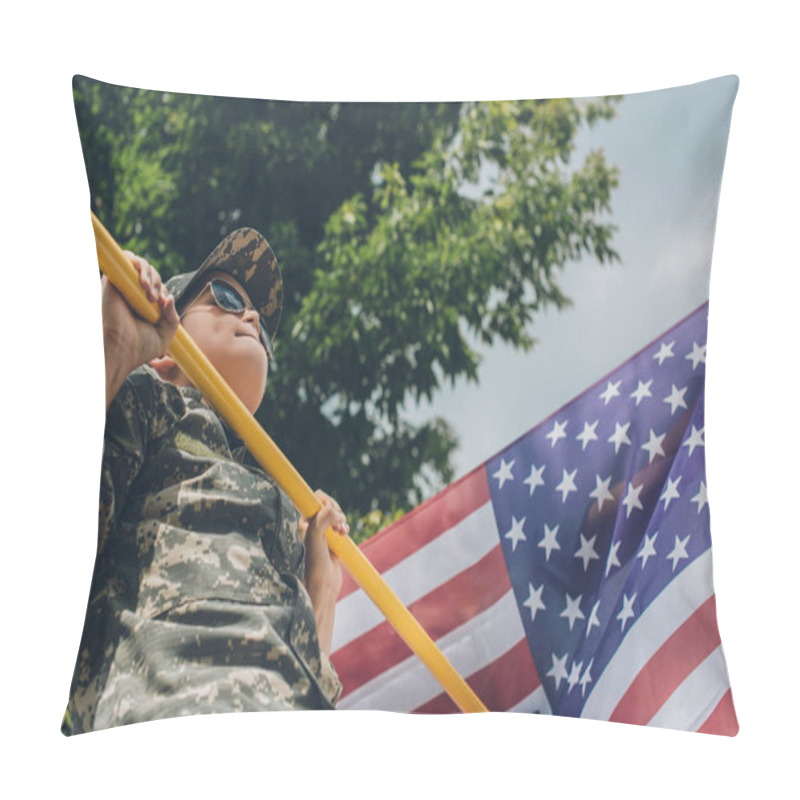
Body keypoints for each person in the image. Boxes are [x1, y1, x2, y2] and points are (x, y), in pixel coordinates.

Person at [63, 228, 346, 734]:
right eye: (226, 297)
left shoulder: (276, 499)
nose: (253, 318)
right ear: (166, 347)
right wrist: (113, 350)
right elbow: (53, 536)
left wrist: (321, 590)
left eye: (254, 316)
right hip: (173, 711)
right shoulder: (149, 399)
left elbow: (310, 676)